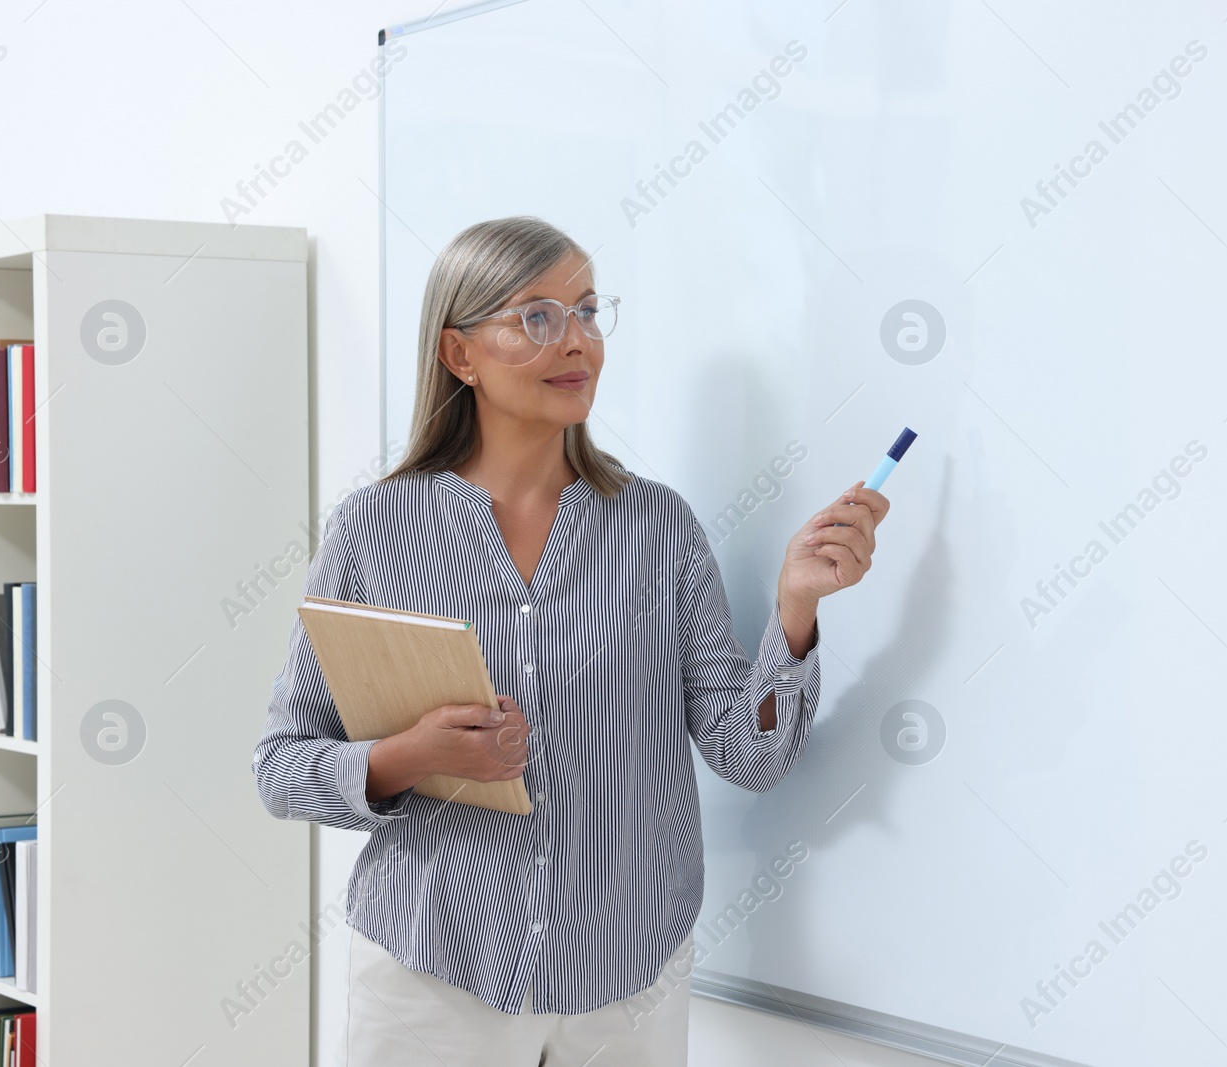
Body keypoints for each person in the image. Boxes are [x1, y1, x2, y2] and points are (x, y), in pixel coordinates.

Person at [253, 215, 888, 1066]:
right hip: (432, 975)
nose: (577, 339)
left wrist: (796, 610)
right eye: (537, 316)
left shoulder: (658, 527)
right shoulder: (374, 528)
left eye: (588, 310)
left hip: (627, 981)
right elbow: (280, 765)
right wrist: (408, 754)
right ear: (459, 355)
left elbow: (751, 756)